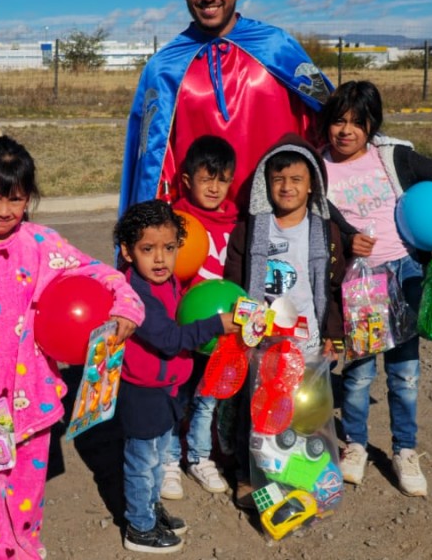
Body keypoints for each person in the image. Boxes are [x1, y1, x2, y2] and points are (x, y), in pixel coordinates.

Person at [0, 136, 144, 560]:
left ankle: (24, 549)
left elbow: (97, 273)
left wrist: (126, 307)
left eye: (16, 200)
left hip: (34, 400)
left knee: (26, 493)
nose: (4, 211)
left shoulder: (41, 244)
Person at [318, 80, 432, 497]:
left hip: (406, 274)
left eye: (357, 123)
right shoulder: (317, 166)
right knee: (358, 375)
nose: (346, 131)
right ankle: (357, 446)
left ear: (372, 126)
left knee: (405, 372)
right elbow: (320, 221)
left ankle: (405, 450)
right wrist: (345, 241)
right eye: (338, 121)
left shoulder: (393, 157)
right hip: (361, 283)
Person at [119, 0, 332, 221]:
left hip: (280, 224)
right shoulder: (164, 68)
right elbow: (151, 166)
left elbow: (330, 120)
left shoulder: (277, 47)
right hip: (200, 232)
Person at [223, 132, 345, 507]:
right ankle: (250, 475)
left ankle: (301, 473)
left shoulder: (324, 231)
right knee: (256, 412)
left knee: (304, 409)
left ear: (313, 186)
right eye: (278, 180)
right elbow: (234, 282)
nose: (287, 187)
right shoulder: (252, 228)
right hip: (262, 341)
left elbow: (333, 286)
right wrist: (240, 326)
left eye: (296, 180)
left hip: (306, 341)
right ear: (266, 184)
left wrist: (333, 334)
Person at [113, 200, 238, 554]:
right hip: (142, 392)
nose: (159, 259)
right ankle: (139, 527)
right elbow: (168, 339)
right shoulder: (135, 293)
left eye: (168, 248)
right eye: (147, 249)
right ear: (127, 250)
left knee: (155, 460)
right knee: (142, 462)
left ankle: (149, 511)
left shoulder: (168, 282)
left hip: (164, 388)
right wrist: (217, 325)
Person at [161, 135, 236, 499]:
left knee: (208, 396)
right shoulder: (175, 221)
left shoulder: (236, 220)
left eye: (222, 179)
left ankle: (200, 457)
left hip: (220, 331)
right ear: (188, 180)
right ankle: (170, 461)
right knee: (177, 395)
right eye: (207, 178)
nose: (214, 187)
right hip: (183, 328)